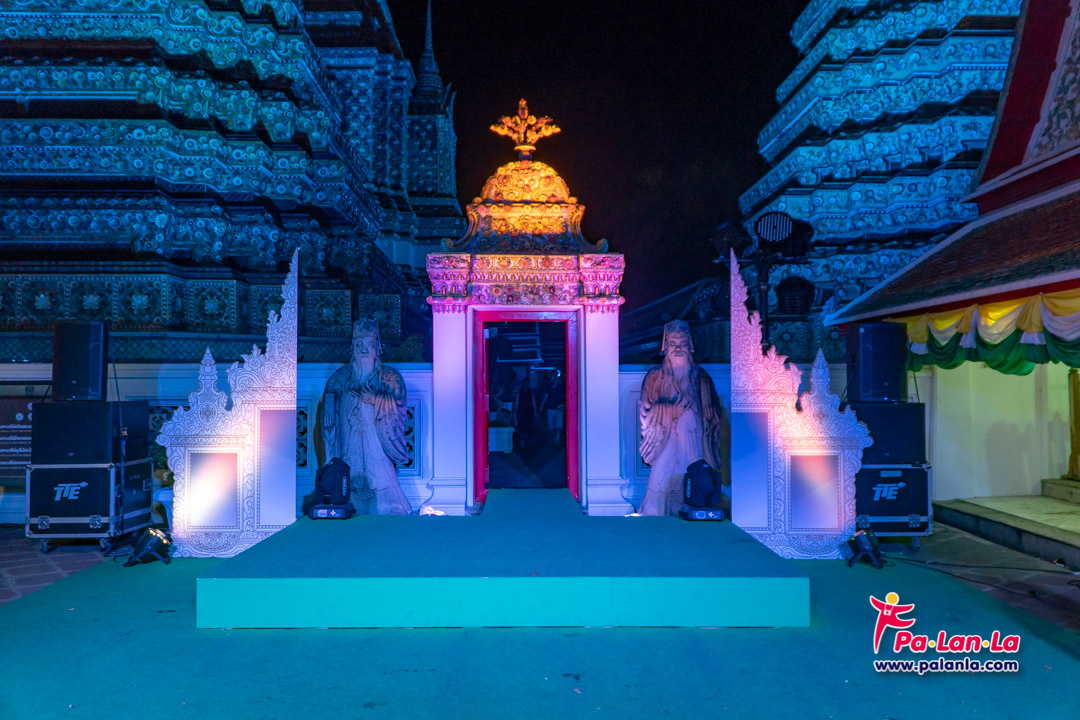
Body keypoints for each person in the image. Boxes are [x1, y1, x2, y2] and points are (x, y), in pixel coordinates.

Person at [321, 319, 411, 514]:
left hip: (375, 441)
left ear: (377, 347)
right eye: (358, 345)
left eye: (369, 345)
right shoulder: (342, 376)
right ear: (352, 347)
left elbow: (399, 401)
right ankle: (346, 497)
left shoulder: (390, 377)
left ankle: (388, 505)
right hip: (350, 437)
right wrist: (329, 406)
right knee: (348, 465)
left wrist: (374, 399)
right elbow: (330, 390)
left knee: (380, 469)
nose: (363, 350)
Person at [638, 320, 724, 516]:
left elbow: (713, 414)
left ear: (690, 346)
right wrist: (670, 412)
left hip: (693, 443)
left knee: (695, 480)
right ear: (665, 347)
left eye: (682, 344)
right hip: (665, 442)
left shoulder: (701, 377)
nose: (678, 349)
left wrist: (701, 414)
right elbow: (646, 409)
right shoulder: (654, 377)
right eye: (672, 344)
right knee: (660, 491)